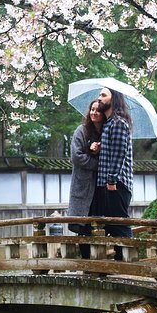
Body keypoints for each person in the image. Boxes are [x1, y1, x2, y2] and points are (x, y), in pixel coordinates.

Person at [94, 87, 133, 261]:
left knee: (120, 224)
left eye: (103, 95)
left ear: (114, 99)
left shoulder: (118, 123)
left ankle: (128, 263)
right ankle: (121, 262)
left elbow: (119, 154)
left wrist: (111, 181)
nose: (99, 98)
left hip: (116, 183)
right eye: (99, 95)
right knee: (113, 224)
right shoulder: (108, 124)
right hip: (108, 183)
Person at [67, 100, 103, 259]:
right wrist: (93, 156)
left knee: (99, 224)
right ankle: (86, 262)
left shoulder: (106, 132)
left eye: (98, 110)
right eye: (92, 109)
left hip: (100, 185)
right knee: (83, 226)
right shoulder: (81, 131)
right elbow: (76, 157)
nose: (94, 113)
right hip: (82, 184)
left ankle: (98, 261)